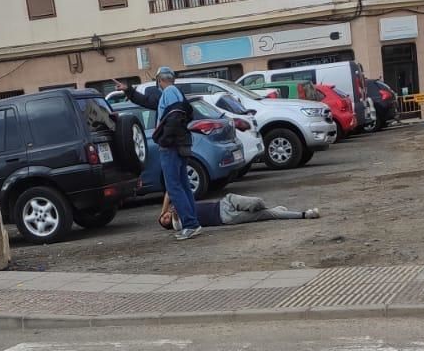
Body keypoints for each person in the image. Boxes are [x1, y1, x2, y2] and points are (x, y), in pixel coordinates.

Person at [116, 69, 202, 241]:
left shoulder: (169, 93)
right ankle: (193, 223)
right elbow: (148, 101)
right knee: (183, 185)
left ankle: (190, 225)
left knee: (174, 187)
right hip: (179, 145)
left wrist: (164, 139)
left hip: (171, 147)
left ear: (159, 80)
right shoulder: (174, 93)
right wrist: (129, 90)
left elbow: (175, 118)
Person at [159, 192, 320, 231]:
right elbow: (173, 220)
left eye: (164, 216)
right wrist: (171, 213)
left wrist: (163, 210)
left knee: (258, 202)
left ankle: (272, 209)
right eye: (165, 221)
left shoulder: (182, 208)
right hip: (227, 217)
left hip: (224, 202)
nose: (167, 216)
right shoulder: (181, 225)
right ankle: (304, 214)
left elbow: (169, 191)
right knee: (267, 215)